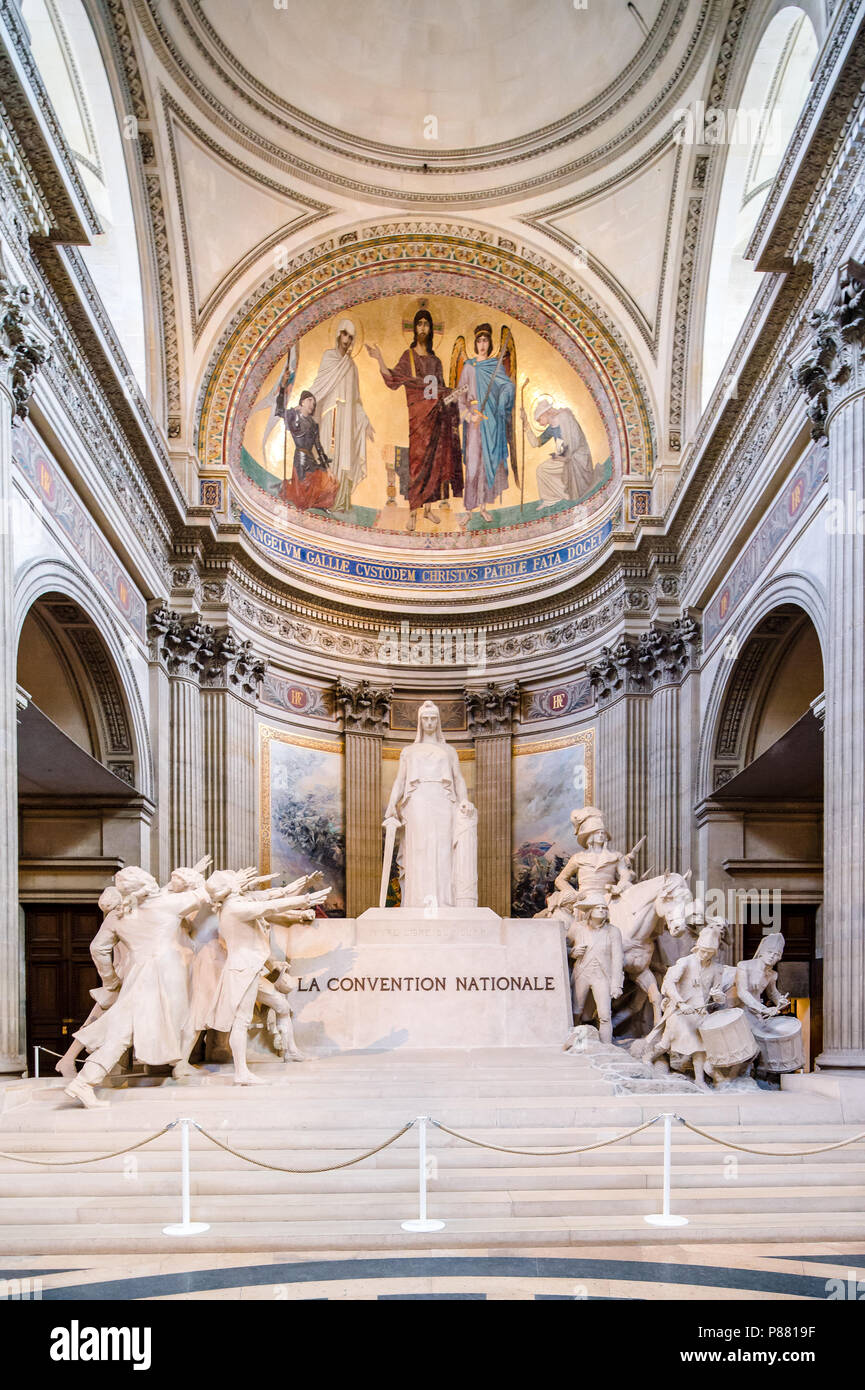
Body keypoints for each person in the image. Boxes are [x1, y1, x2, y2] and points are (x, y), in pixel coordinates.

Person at [64, 864, 211, 1108]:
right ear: (147, 884)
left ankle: (84, 1081)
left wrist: (110, 980)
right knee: (124, 1031)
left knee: (122, 1031)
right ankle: (83, 1082)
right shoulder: (167, 905)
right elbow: (206, 893)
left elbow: (97, 948)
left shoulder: (118, 914)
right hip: (164, 977)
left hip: (137, 976)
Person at [366, 309, 462, 531]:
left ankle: (428, 511)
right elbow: (392, 379)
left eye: (426, 324)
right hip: (418, 420)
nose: (422, 328)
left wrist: (455, 395)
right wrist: (379, 359)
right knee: (417, 465)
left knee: (435, 465)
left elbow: (440, 389)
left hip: (436, 418)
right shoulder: (407, 356)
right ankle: (412, 513)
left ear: (430, 329)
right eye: (419, 324)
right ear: (414, 328)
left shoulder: (436, 361)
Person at [383, 701, 476, 909]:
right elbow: (400, 780)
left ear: (438, 721)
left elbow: (458, 779)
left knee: (443, 850)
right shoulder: (409, 751)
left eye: (433, 718)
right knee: (419, 849)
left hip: (444, 801)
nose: (429, 722)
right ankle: (416, 901)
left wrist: (464, 800)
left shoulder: (449, 750)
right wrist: (391, 804)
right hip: (416, 801)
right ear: (419, 721)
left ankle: (444, 901)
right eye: (425, 718)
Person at [642, 927, 728, 1090]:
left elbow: (719, 994)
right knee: (667, 1041)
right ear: (697, 948)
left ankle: (699, 1080)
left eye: (710, 952)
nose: (705, 955)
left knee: (700, 1046)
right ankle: (649, 1056)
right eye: (703, 951)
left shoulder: (717, 969)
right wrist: (681, 1003)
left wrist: (718, 996)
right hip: (680, 1011)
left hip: (700, 1013)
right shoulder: (686, 962)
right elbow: (668, 983)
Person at [308, 319, 374, 512]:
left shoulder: (352, 367)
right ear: (338, 334)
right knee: (328, 451)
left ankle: (338, 501)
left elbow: (356, 399)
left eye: (351, 337)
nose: (347, 339)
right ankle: (322, 497)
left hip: (347, 419)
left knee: (345, 455)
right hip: (330, 412)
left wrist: (365, 421)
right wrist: (305, 405)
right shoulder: (329, 357)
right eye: (345, 334)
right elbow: (320, 383)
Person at [456, 322, 515, 524]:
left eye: (486, 340)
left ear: (490, 343)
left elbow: (508, 386)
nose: (482, 344)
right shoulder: (468, 367)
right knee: (472, 464)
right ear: (475, 343)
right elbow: (459, 397)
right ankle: (469, 510)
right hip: (474, 422)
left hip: (491, 421)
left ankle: (482, 507)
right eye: (479, 340)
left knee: (486, 464)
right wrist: (468, 416)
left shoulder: (495, 366)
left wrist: (501, 400)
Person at [567, 892, 624, 1045]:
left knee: (605, 1015)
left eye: (604, 908)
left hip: (602, 976)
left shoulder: (613, 931)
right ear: (590, 911)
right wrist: (572, 952)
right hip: (582, 974)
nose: (602, 910)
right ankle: (578, 1044)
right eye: (598, 907)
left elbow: (618, 959)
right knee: (576, 1011)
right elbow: (562, 946)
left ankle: (607, 1047)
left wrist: (616, 983)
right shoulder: (577, 928)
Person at [520, 396, 595, 507]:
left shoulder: (565, 417)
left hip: (577, 456)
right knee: (541, 469)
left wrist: (564, 455)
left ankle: (570, 493)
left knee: (560, 466)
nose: (540, 423)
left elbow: (576, 440)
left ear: (545, 413)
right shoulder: (551, 428)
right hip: (564, 456)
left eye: (539, 419)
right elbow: (536, 443)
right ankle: (551, 499)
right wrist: (526, 423)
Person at [278, 390, 339, 511]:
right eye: (310, 400)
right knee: (302, 493)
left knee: (332, 482)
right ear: (302, 402)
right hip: (300, 458)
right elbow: (279, 410)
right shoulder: (293, 416)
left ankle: (319, 504)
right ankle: (292, 490)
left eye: (314, 402)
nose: (312, 404)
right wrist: (282, 390)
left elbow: (318, 447)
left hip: (311, 459)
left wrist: (328, 468)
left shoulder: (314, 425)